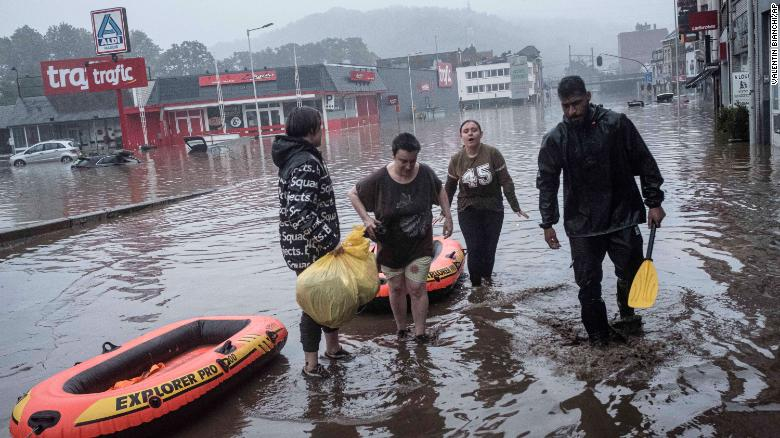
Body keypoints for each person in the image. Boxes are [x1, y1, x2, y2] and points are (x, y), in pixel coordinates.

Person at [536, 75, 666, 347]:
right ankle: (598, 339)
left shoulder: (616, 124)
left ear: (588, 98)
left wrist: (653, 201)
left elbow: (644, 162)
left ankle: (627, 316)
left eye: (576, 104)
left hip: (622, 215)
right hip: (581, 223)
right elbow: (547, 182)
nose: (572, 111)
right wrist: (548, 222)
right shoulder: (556, 138)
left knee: (631, 272)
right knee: (587, 283)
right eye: (566, 106)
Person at [348, 133, 453, 342]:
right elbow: (353, 194)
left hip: (419, 243)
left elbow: (440, 189)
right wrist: (367, 219)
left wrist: (447, 215)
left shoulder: (425, 173)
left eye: (412, 161)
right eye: (403, 161)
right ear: (394, 156)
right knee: (395, 287)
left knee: (416, 288)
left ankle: (420, 333)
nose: (408, 166)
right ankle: (401, 329)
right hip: (390, 244)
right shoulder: (379, 178)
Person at [272, 106, 348, 379]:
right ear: (311, 130)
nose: (323, 130)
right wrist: (330, 241)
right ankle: (311, 366)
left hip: (305, 247)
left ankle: (333, 349)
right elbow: (299, 212)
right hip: (309, 249)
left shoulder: (297, 157)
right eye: (320, 125)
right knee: (314, 305)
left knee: (326, 298)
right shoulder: (304, 162)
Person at [444, 120, 529, 287]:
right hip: (467, 209)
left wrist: (515, 205)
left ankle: (487, 283)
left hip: (493, 209)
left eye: (474, 130)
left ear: (481, 134)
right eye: (466, 131)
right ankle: (476, 288)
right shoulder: (456, 159)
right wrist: (444, 213)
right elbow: (449, 188)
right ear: (461, 136)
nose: (470, 133)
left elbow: (506, 181)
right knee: (475, 247)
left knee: (489, 249)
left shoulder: (492, 153)